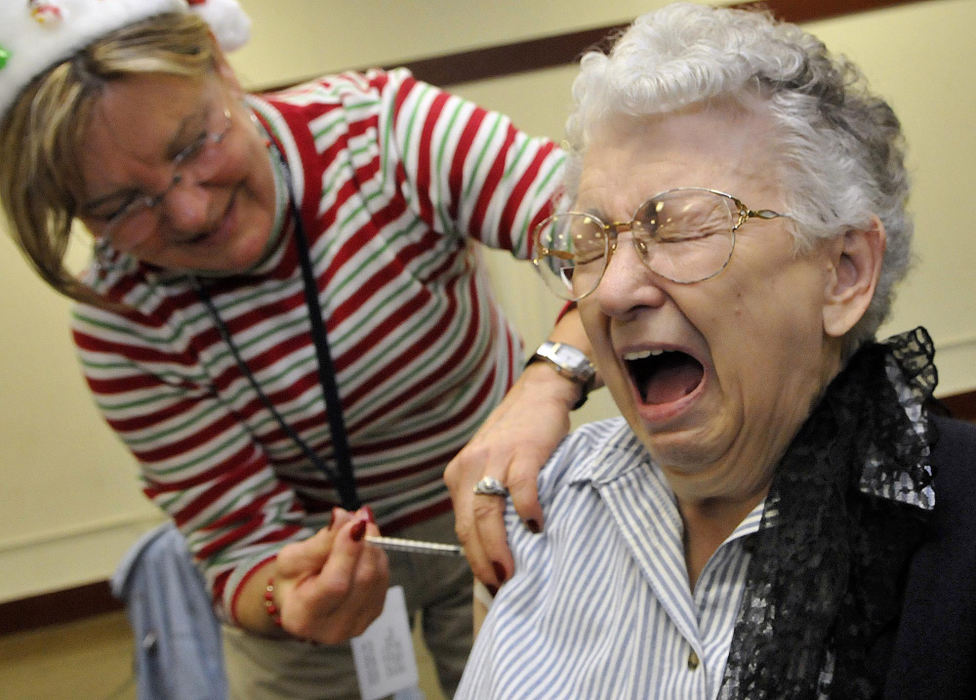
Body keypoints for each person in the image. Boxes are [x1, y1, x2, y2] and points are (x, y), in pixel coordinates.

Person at [0, 1, 595, 697]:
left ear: (224, 68)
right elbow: (240, 548)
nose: (191, 212)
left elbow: (598, 242)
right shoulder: (121, 323)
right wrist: (283, 597)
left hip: (504, 506)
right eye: (119, 206)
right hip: (315, 547)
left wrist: (548, 381)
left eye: (192, 145)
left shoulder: (380, 130)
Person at [457, 3, 976, 699]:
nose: (610, 293)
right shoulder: (540, 507)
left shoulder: (954, 536)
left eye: (679, 227)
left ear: (844, 270)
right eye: (588, 242)